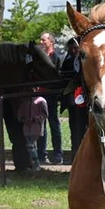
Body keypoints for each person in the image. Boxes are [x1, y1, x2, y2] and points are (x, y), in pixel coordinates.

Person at [37, 31, 64, 164]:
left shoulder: (56, 58)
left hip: (51, 96)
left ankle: (57, 154)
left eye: (44, 40)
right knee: (41, 125)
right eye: (41, 40)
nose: (41, 43)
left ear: (51, 42)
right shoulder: (39, 58)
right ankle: (41, 154)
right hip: (39, 96)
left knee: (54, 124)